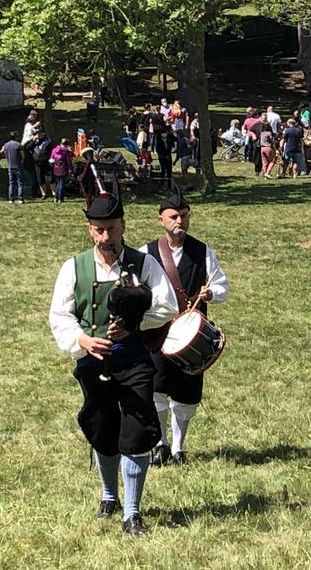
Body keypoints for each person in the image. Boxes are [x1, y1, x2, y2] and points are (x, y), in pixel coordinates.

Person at [48, 193, 179, 536]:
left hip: (135, 359)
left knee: (136, 429)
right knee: (102, 428)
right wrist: (83, 340)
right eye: (99, 230)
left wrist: (135, 323)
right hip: (93, 362)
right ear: (90, 230)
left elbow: (167, 306)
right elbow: (60, 315)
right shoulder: (74, 267)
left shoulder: (143, 263)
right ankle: (109, 495)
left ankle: (132, 512)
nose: (107, 237)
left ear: (123, 225)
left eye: (112, 229)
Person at [140, 192, 229, 466]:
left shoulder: (202, 251)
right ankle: (160, 443)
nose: (181, 221)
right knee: (156, 389)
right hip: (158, 332)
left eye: (184, 215)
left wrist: (211, 293)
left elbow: (223, 286)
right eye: (174, 217)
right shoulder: (147, 253)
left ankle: (178, 447)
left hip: (192, 335)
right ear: (161, 220)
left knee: (187, 392)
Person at [1, 131, 24, 204]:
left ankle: (11, 198)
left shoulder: (6, 145)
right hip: (18, 166)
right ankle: (20, 198)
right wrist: (22, 160)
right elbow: (23, 155)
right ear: (16, 137)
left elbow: (4, 153)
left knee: (11, 183)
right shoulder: (19, 145)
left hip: (10, 166)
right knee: (20, 182)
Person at [50, 138, 74, 203]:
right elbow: (69, 161)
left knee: (58, 183)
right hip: (64, 168)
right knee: (62, 184)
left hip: (56, 168)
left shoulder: (54, 150)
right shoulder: (66, 152)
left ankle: (56, 198)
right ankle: (60, 198)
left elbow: (51, 160)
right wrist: (70, 169)